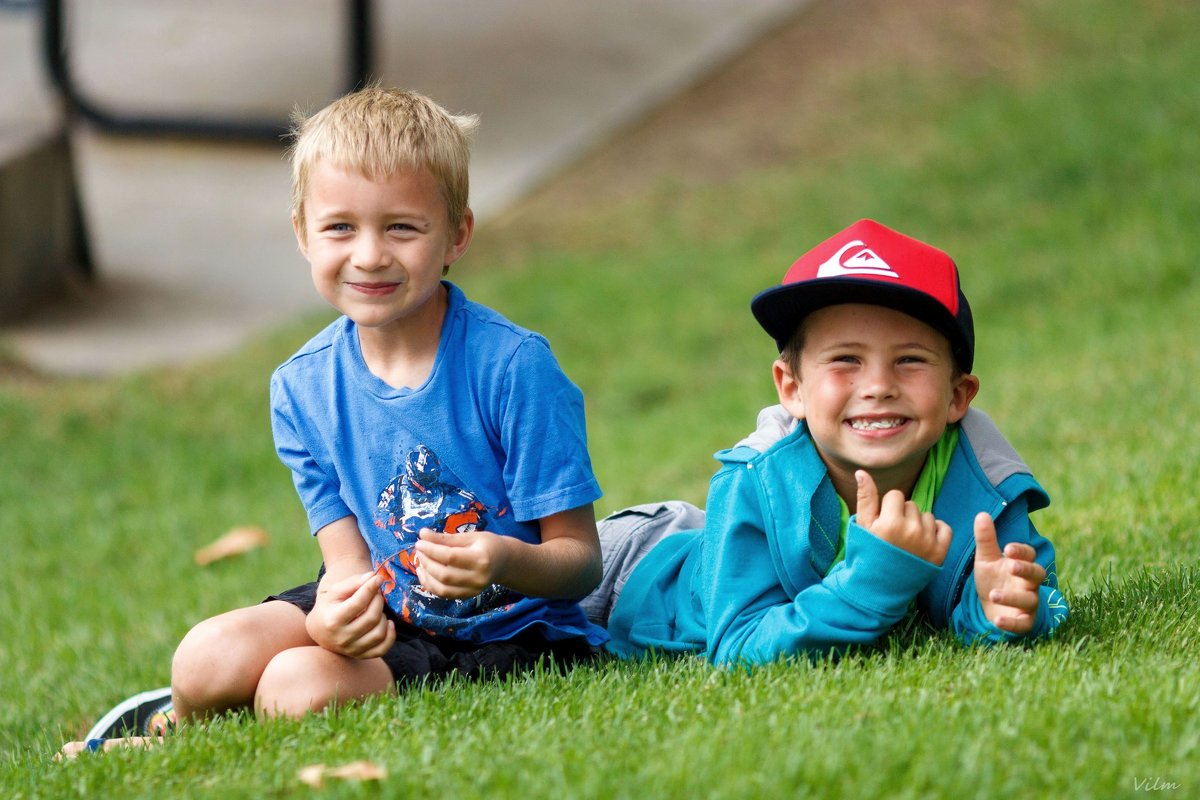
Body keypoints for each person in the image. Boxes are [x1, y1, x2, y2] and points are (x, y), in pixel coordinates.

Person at [69, 87, 605, 751]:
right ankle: (172, 726)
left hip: (511, 635)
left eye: (402, 227)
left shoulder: (513, 369)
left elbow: (581, 565)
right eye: (340, 227)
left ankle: (236, 716)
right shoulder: (302, 387)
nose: (371, 254)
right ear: (303, 233)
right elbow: (348, 565)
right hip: (387, 608)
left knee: (294, 690)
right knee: (205, 658)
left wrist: (501, 559)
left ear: (455, 235)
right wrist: (334, 619)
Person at [586, 219, 1068, 665]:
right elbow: (738, 646)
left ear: (957, 396)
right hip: (624, 565)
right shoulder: (753, 479)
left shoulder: (988, 482)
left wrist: (1001, 606)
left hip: (705, 538)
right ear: (792, 388)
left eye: (910, 360)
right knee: (518, 602)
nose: (878, 386)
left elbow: (1041, 598)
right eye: (845, 359)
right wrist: (875, 579)